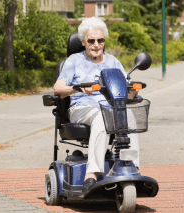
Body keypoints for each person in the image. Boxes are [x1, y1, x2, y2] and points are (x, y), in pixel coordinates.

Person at [53, 17, 140, 191]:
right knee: (102, 115)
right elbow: (58, 88)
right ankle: (92, 173)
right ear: (84, 42)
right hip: (82, 109)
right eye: (91, 40)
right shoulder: (74, 61)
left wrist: (132, 91)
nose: (96, 44)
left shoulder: (113, 62)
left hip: (111, 108)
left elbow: (126, 87)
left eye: (100, 40)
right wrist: (76, 89)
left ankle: (132, 167)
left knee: (128, 114)